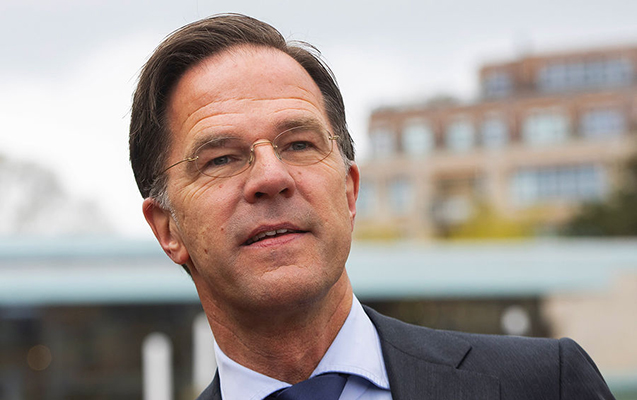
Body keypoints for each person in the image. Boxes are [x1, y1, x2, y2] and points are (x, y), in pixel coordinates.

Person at [129, 13, 615, 400]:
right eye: (221, 158)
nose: (271, 177)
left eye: (299, 144)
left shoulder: (544, 385)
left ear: (349, 191)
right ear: (167, 229)